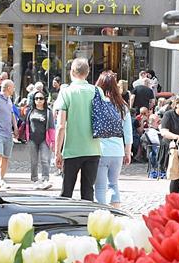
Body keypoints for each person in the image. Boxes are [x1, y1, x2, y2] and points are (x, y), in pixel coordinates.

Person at [54, 58, 102, 200]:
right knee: (88, 192)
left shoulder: (67, 92)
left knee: (66, 192)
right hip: (93, 148)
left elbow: (61, 126)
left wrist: (57, 152)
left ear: (72, 72)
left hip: (72, 149)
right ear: (87, 73)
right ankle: (87, 220)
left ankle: (66, 220)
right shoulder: (97, 91)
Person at [94, 71, 132, 208]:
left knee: (99, 187)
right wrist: (128, 152)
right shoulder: (122, 106)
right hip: (117, 151)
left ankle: (102, 215)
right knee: (114, 184)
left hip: (101, 149)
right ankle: (116, 211)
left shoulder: (97, 105)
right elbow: (128, 133)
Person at [25, 92, 55, 190]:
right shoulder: (30, 111)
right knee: (33, 161)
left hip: (44, 139)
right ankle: (35, 180)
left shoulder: (48, 112)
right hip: (32, 139)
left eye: (41, 98)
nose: (38, 100)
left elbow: (51, 127)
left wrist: (53, 141)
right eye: (36, 98)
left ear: (44, 100)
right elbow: (26, 124)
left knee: (44, 160)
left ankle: (45, 179)